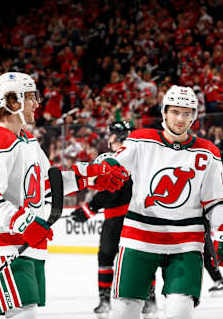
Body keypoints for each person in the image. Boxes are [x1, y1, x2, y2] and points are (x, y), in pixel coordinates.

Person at [0, 72, 128, 318]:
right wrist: (25, 223)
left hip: (24, 242)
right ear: (12, 101)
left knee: (27, 312)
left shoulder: (28, 141)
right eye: (30, 97)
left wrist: (93, 176)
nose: (37, 103)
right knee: (23, 314)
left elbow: (46, 185)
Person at [101, 85, 223, 319]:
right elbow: (113, 166)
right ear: (165, 112)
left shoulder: (208, 152)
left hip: (185, 245)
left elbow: (217, 199)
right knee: (123, 313)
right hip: (139, 240)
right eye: (176, 112)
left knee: (179, 313)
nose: (181, 118)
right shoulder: (140, 140)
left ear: (194, 116)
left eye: (187, 113)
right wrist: (96, 171)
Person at [71, 121, 158, 319]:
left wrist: (89, 208)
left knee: (106, 257)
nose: (108, 138)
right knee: (140, 258)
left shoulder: (118, 158)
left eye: (110, 135)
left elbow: (111, 190)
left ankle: (104, 301)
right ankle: (150, 299)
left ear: (115, 137)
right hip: (136, 218)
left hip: (118, 220)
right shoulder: (138, 157)